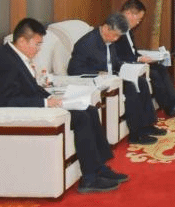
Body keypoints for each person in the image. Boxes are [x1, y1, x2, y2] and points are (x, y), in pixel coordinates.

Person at [0, 18, 128, 194]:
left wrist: (51, 97)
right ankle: (89, 178)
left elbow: (31, 88)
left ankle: (99, 167)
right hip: (29, 112)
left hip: (39, 104)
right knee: (82, 117)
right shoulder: (4, 60)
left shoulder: (16, 55)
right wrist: (45, 103)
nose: (39, 49)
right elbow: (7, 101)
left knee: (89, 109)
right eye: (37, 44)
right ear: (22, 41)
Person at [68, 12, 163, 145]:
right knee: (130, 88)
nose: (116, 39)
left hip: (113, 77)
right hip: (96, 81)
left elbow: (114, 61)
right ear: (106, 28)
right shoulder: (86, 43)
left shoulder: (109, 40)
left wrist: (128, 66)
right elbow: (73, 70)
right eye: (115, 35)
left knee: (141, 81)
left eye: (119, 36)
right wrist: (97, 73)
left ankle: (147, 125)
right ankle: (136, 134)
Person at [115, 0, 175, 118]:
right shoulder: (115, 30)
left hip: (134, 62)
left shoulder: (128, 30)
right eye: (138, 19)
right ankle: (170, 107)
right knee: (154, 74)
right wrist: (138, 60)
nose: (138, 23)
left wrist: (143, 57)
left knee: (160, 68)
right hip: (126, 67)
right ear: (128, 14)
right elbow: (117, 56)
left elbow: (132, 52)